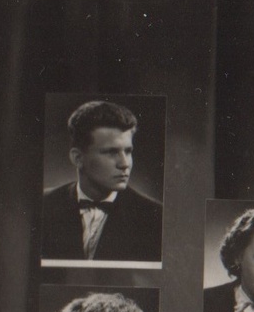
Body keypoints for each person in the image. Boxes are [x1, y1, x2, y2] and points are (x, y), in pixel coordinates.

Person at [39, 99, 164, 263]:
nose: (124, 164)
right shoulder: (42, 204)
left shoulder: (155, 217)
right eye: (111, 152)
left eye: (128, 151)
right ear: (78, 158)